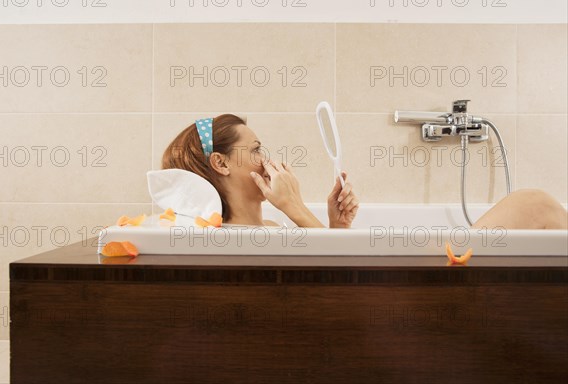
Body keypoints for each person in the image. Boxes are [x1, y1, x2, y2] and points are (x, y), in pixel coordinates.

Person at [161, 114, 567, 230]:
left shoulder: (265, 230)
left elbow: (334, 277)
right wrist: (296, 208)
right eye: (256, 150)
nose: (268, 159)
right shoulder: (233, 241)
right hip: (408, 297)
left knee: (535, 205)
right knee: (535, 204)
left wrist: (335, 226)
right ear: (221, 163)